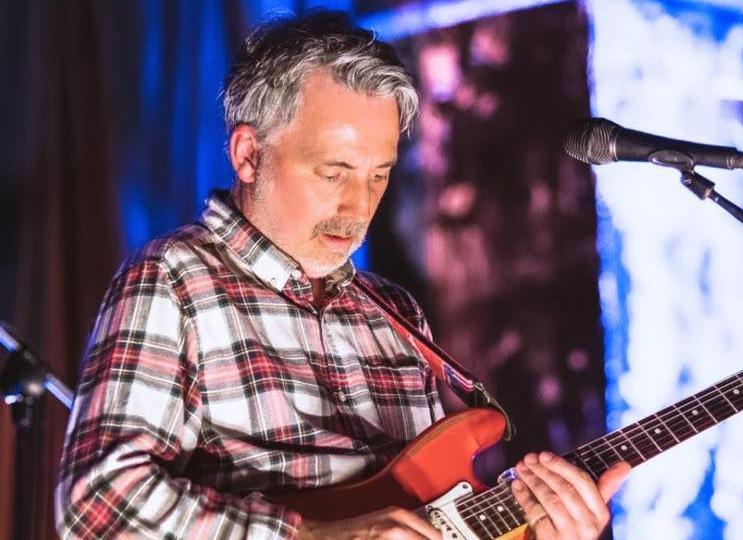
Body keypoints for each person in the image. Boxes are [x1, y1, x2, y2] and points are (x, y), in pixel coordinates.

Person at [55, 11, 629, 540]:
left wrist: (540, 531)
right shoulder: (175, 279)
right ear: (249, 154)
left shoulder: (396, 314)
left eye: (378, 175)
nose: (359, 206)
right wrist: (313, 535)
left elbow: (437, 520)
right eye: (335, 172)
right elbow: (99, 504)